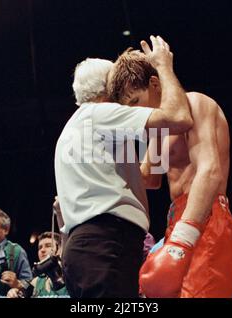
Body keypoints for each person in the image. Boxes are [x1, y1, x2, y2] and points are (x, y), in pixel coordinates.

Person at [107, 49, 232, 298]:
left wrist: (185, 235)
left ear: (154, 84)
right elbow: (149, 179)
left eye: (135, 102)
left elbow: (210, 171)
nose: (134, 112)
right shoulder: (159, 130)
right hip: (178, 221)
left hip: (206, 218)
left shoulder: (195, 103)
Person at [54, 36, 193, 298]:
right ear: (108, 87)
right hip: (105, 244)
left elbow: (150, 178)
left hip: (91, 248)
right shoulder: (101, 114)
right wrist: (163, 68)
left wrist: (156, 114)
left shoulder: (82, 126)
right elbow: (179, 117)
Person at [7, 232, 68, 298]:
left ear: (59, 249)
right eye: (40, 247)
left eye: (48, 246)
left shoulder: (70, 274)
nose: (42, 250)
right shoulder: (36, 280)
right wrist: (15, 291)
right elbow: (25, 287)